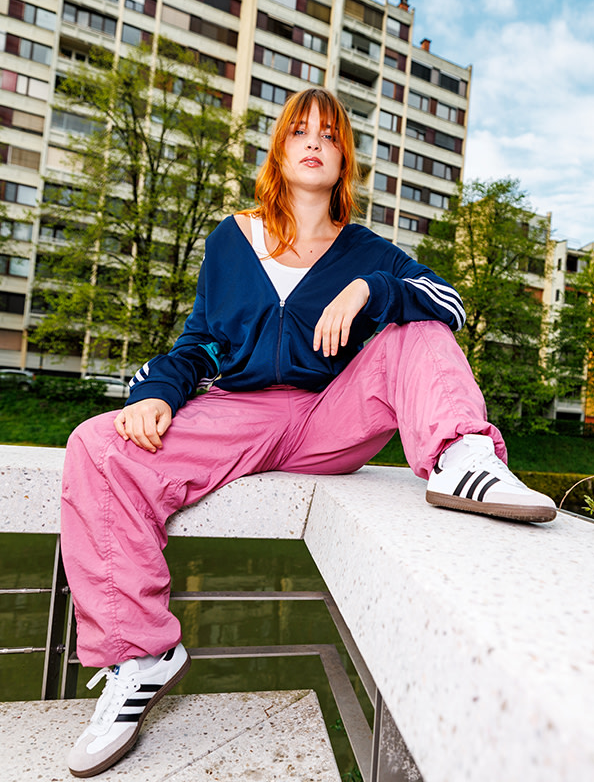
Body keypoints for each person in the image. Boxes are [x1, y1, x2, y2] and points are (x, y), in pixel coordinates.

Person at [62, 87, 556, 777]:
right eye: (300, 130)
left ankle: (463, 457)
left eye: (329, 133)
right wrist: (156, 393)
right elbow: (199, 341)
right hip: (242, 411)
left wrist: (372, 290)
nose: (315, 141)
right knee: (97, 445)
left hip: (332, 416)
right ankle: (139, 657)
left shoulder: (368, 251)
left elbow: (450, 305)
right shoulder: (231, 240)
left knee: (415, 326)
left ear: (344, 157)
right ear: (281, 150)